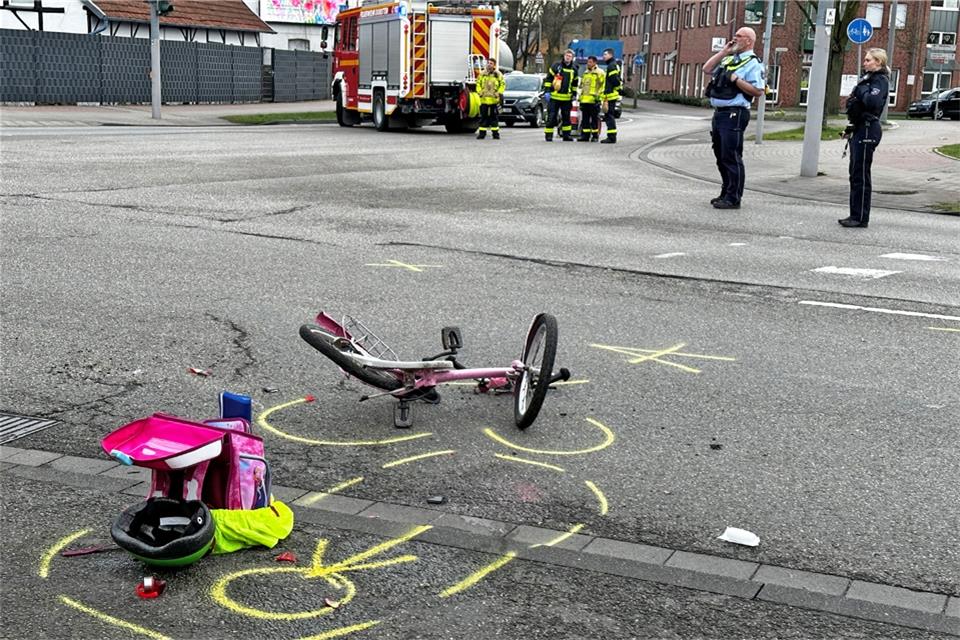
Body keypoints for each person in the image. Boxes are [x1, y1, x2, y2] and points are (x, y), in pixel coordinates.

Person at [702, 27, 765, 209]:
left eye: (739, 36)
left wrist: (736, 79)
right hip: (720, 112)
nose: (735, 38)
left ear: (749, 41)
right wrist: (724, 51)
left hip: (735, 113)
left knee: (731, 156)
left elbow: (758, 91)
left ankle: (733, 197)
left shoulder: (753, 63)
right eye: (735, 35)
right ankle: (726, 191)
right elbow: (707, 69)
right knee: (720, 155)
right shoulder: (729, 58)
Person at [839, 48, 890, 228]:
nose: (865, 62)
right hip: (860, 128)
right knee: (855, 173)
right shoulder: (868, 79)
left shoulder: (880, 80)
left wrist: (860, 93)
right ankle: (855, 213)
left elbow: (872, 102)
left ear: (878, 62)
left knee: (861, 173)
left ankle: (860, 217)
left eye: (869, 60)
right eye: (866, 60)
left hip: (869, 129)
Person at [543, 49, 579, 142]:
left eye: (570, 56)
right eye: (567, 55)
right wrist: (547, 91)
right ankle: (549, 135)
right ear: (564, 56)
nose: (568, 57)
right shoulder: (556, 66)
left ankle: (566, 135)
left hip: (567, 98)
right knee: (551, 117)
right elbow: (549, 79)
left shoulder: (574, 69)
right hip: (554, 97)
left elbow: (575, 84)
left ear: (572, 58)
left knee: (566, 118)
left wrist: (574, 94)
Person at [475, 58, 505, 140]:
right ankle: (482, 134)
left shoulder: (498, 74)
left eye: (491, 63)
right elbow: (478, 84)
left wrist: (498, 92)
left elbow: (502, 85)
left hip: (494, 101)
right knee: (483, 118)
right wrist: (479, 92)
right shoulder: (482, 74)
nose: (489, 64)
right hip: (484, 100)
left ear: (494, 65)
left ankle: (495, 134)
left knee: (494, 118)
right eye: (488, 63)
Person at [578, 56, 605, 142]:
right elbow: (582, 87)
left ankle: (595, 136)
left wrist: (599, 98)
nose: (588, 64)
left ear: (594, 63)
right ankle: (585, 136)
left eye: (590, 62)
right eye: (588, 62)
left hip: (594, 100)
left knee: (594, 119)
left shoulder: (600, 73)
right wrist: (580, 99)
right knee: (585, 120)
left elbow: (603, 86)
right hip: (585, 100)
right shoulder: (585, 73)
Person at [600, 48, 622, 144]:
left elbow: (614, 80)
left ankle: (611, 137)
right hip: (611, 94)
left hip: (610, 95)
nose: (603, 56)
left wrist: (617, 89)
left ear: (610, 55)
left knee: (609, 116)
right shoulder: (613, 65)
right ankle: (611, 136)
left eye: (605, 54)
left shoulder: (611, 66)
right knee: (609, 115)